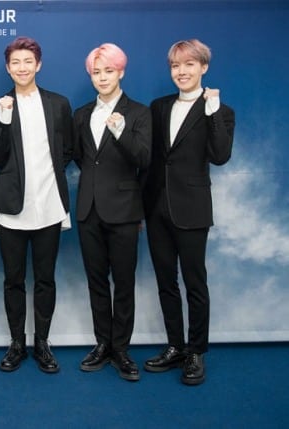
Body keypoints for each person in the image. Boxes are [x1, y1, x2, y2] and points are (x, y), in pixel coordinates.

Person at [142, 39, 235, 385]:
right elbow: (151, 160)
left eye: (189, 64)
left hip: (192, 209)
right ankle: (175, 347)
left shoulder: (221, 111)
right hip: (156, 208)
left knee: (195, 283)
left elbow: (220, 156)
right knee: (166, 281)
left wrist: (212, 111)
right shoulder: (159, 107)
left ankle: (196, 351)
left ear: (203, 67)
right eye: (175, 66)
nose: (181, 71)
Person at [0, 36, 73, 374]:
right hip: (11, 209)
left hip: (49, 206)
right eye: (15, 63)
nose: (22, 68)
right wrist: (5, 119)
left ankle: (42, 343)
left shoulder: (58, 104)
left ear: (38, 65)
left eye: (28, 62)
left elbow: (68, 150)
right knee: (13, 280)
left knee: (45, 279)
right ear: (8, 68)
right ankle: (16, 343)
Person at [73, 43, 151, 382]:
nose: (102, 77)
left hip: (124, 210)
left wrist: (120, 132)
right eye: (96, 72)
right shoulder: (81, 114)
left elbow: (144, 158)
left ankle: (121, 348)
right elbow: (82, 158)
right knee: (96, 281)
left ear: (121, 72)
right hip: (88, 209)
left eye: (109, 71)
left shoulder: (139, 113)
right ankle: (102, 344)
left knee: (123, 282)